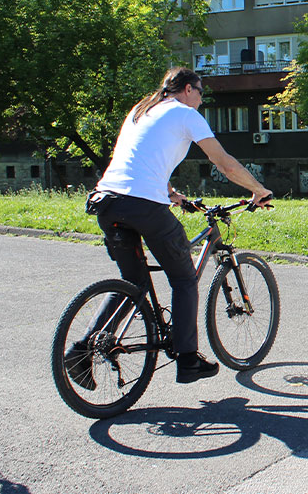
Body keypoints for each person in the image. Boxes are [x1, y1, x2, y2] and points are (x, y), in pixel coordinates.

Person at [68, 67, 273, 388]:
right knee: (184, 277)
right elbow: (224, 162)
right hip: (142, 206)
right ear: (188, 89)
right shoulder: (184, 113)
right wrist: (258, 190)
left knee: (133, 283)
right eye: (201, 93)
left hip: (106, 202)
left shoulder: (141, 111)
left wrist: (174, 196)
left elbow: (137, 165)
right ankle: (188, 360)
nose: (202, 101)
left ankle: (82, 351)